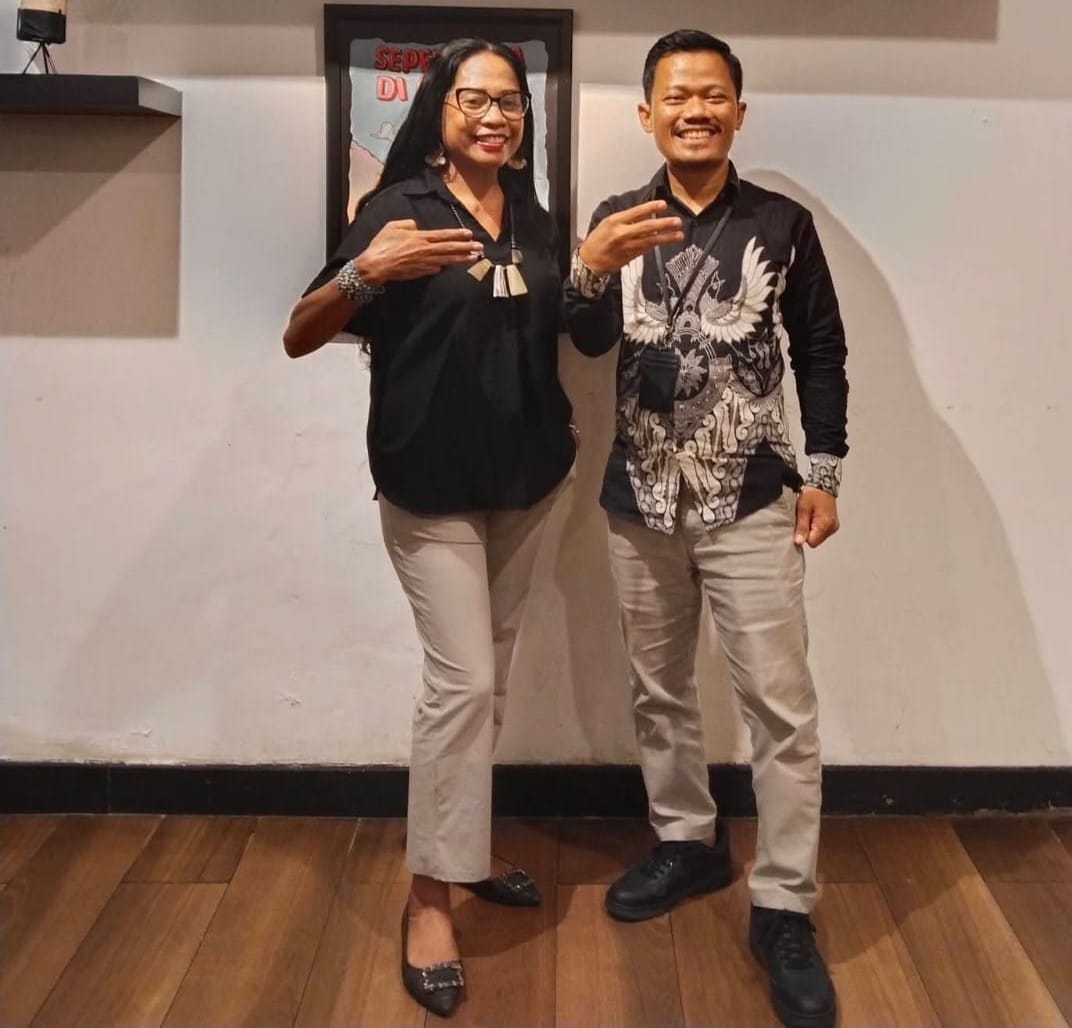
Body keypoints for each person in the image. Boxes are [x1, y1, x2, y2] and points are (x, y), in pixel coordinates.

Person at [283, 38, 574, 1018]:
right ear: (439, 109)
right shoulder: (397, 207)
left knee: (489, 682)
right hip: (429, 486)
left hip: (526, 484)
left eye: (510, 101)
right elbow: (299, 331)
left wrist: (593, 279)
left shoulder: (533, 213)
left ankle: (467, 847)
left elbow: (560, 330)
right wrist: (369, 271)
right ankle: (428, 898)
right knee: (464, 685)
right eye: (474, 99)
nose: (494, 116)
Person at [564, 29, 848, 1028]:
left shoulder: (781, 223)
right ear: (647, 114)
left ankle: (784, 903)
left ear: (738, 110)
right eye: (676, 96)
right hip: (639, 496)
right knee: (659, 689)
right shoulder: (616, 217)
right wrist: (588, 269)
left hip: (753, 497)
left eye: (712, 94)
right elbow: (585, 340)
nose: (695, 110)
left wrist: (824, 472)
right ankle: (687, 839)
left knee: (781, 706)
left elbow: (820, 349)